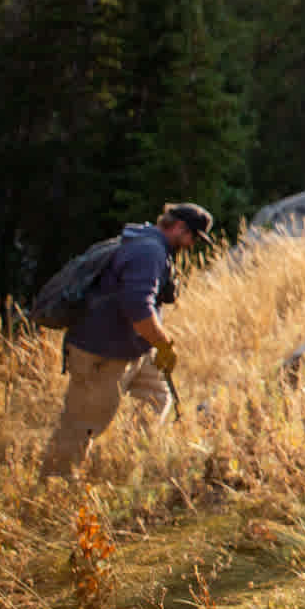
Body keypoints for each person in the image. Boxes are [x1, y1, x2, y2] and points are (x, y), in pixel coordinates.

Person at [41, 203, 213, 480]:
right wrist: (164, 343)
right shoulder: (149, 252)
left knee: (157, 394)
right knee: (81, 426)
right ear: (179, 227)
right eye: (193, 237)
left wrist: (156, 345)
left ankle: (121, 465)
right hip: (101, 352)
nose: (192, 244)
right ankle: (53, 488)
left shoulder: (146, 242)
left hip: (128, 348)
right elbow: (138, 309)